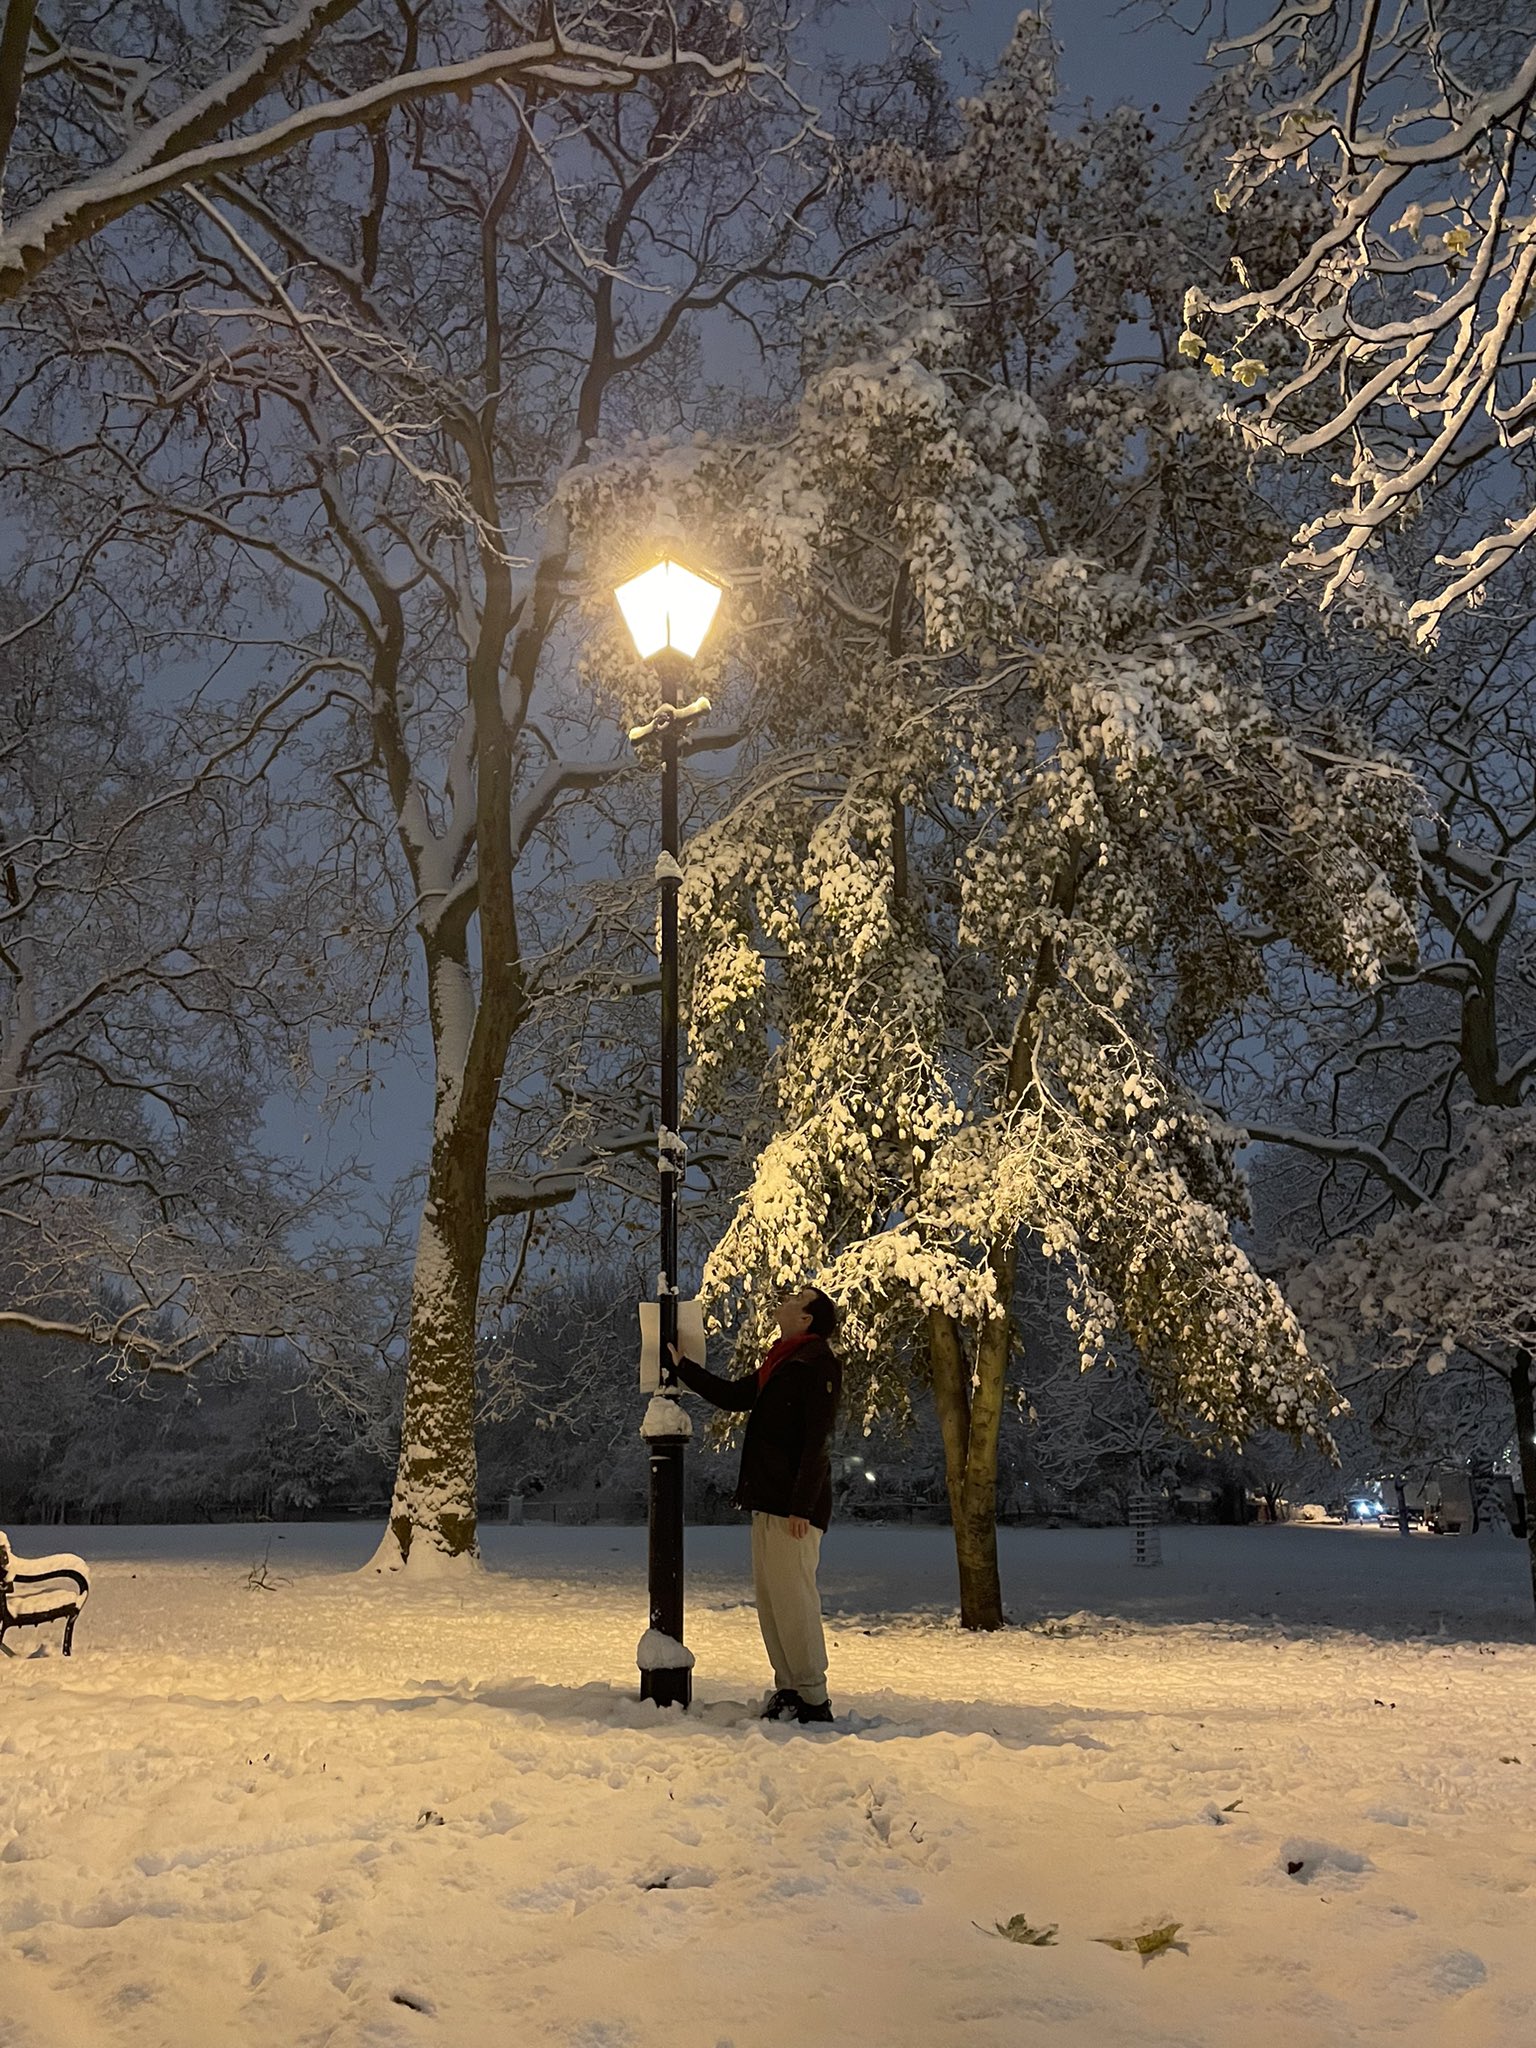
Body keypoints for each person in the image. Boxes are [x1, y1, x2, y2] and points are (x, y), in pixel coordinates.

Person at [668, 1286, 842, 1725]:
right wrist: (682, 1368)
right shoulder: (781, 1360)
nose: (782, 1300)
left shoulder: (817, 1363)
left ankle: (813, 1697)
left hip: (793, 1508)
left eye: (795, 1299)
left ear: (806, 1319)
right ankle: (789, 1688)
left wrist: (802, 1506)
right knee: (773, 1600)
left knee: (794, 1598)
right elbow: (735, 1397)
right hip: (769, 1499)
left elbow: (817, 1440)